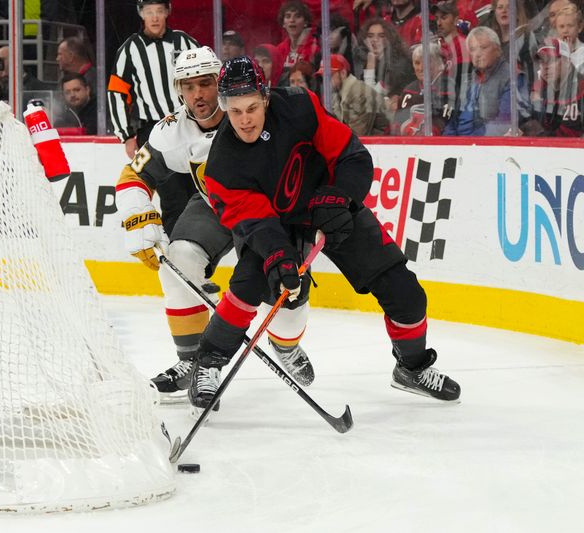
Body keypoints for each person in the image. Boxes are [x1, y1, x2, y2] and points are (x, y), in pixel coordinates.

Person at [188, 56, 460, 409]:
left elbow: (352, 155)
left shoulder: (299, 106)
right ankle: (207, 362)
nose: (245, 120)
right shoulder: (224, 164)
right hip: (276, 224)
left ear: (266, 97)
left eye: (252, 107)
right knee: (248, 285)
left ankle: (412, 368)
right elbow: (254, 221)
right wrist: (278, 254)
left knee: (404, 290)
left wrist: (340, 197)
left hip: (329, 206)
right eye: (236, 111)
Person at [115, 48, 315, 404]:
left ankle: (286, 345)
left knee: (288, 292)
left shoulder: (250, 111)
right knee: (179, 261)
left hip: (265, 216)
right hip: (215, 206)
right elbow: (135, 173)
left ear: (220, 83)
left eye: (206, 83)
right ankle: (193, 362)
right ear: (179, 90)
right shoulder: (173, 130)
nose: (198, 95)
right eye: (188, 86)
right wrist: (138, 215)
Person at [108, 0, 199, 161]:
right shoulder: (130, 49)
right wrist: (127, 136)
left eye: (159, 11)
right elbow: (117, 93)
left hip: (187, 124)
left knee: (189, 178)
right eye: (149, 12)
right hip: (151, 129)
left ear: (167, 12)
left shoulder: (185, 42)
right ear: (141, 13)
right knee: (155, 181)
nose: (155, 17)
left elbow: (207, 80)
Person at [443, 26, 530, 136]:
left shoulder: (512, 77)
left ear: (498, 49)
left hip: (486, 147)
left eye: (483, 47)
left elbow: (504, 123)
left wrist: (470, 143)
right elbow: (453, 121)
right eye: (473, 49)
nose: (477, 54)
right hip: (459, 147)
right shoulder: (468, 80)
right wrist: (448, 143)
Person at [522, 38, 584, 136]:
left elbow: (566, 134)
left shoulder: (581, 88)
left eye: (551, 60)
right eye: (542, 61)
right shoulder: (538, 87)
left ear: (567, 61)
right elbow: (526, 123)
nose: (545, 66)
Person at [319, 54, 390, 136]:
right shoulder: (336, 94)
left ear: (343, 73)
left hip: (378, 146)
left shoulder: (361, 94)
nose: (325, 81)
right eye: (323, 77)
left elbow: (357, 135)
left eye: (329, 76)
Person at [353, 18, 415, 110]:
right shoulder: (365, 61)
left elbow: (370, 99)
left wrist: (370, 67)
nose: (375, 40)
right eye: (370, 36)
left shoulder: (399, 63)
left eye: (381, 36)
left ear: (389, 39)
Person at [392, 43, 454, 135]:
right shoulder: (408, 91)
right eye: (417, 63)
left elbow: (448, 127)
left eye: (426, 63)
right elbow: (396, 127)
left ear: (438, 63)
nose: (421, 68)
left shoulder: (449, 89)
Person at [276, 1, 320, 77]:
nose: (292, 20)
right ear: (283, 23)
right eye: (288, 16)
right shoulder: (279, 49)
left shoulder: (315, 46)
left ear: (305, 22)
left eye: (297, 16)